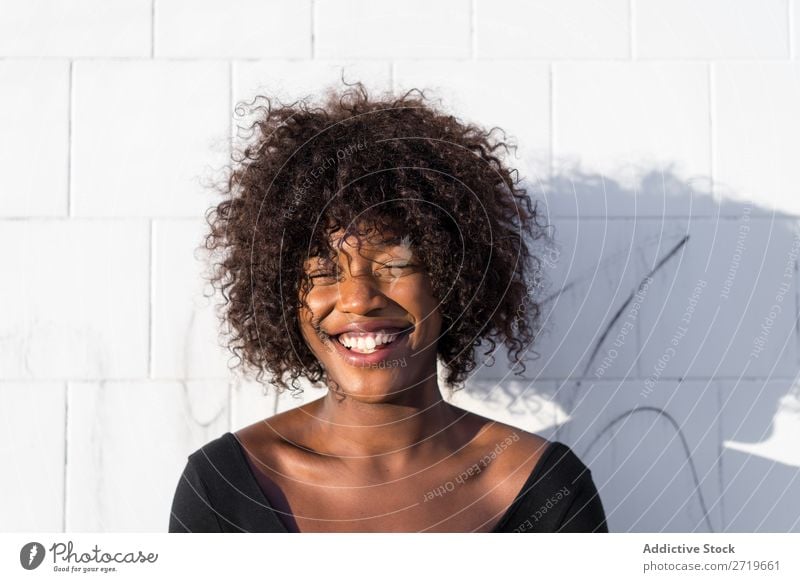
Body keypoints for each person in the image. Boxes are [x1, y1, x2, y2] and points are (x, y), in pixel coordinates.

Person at [168, 82, 608, 533]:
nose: (358, 299)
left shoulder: (545, 488)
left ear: (451, 278)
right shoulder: (224, 486)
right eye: (322, 273)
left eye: (395, 264)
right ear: (283, 299)